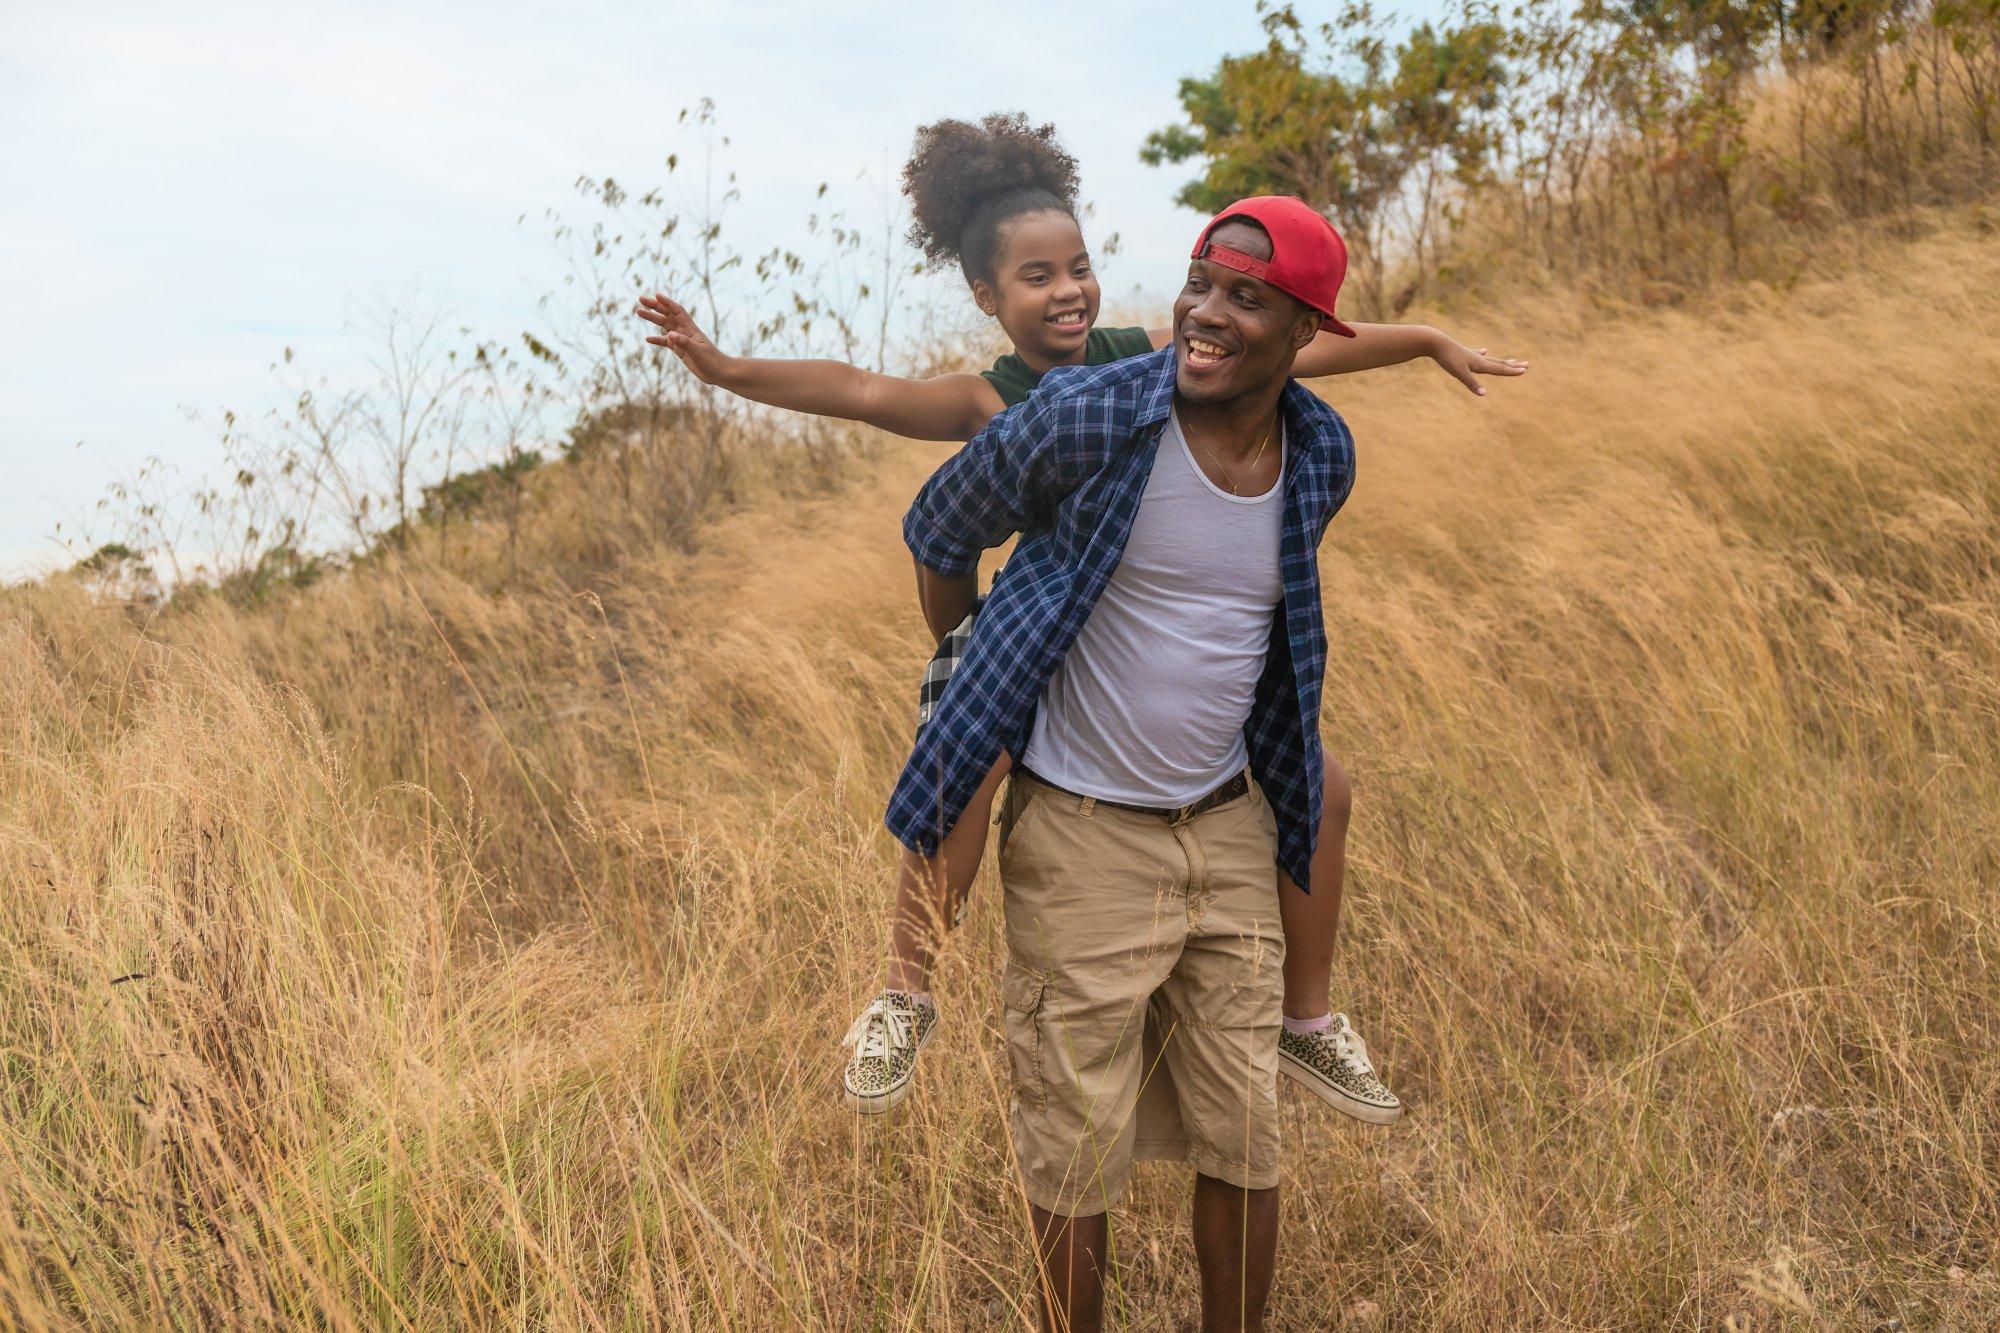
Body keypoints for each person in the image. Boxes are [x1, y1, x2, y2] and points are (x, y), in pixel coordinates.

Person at [635, 114, 1526, 1124]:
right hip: (1037, 633)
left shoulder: (1140, 353)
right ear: (987, 296)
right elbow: (859, 391)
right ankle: (903, 992)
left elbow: (1296, 352)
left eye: (1078, 266)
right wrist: (723, 370)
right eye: (1034, 277)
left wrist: (1426, 343)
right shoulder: (989, 395)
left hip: (1145, 642)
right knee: (957, 770)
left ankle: (1308, 1021)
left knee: (1321, 784)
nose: (1065, 290)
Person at [892, 194, 1357, 1329]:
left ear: (1303, 330)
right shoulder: (1086, 415)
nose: (1202, 311)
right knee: (1072, 1146)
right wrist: (979, 651)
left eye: (1243, 298)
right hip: (1083, 832)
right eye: (1198, 281)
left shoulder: (1321, 454)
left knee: (1244, 1130)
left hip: (1229, 828)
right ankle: (898, 986)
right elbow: (939, 523)